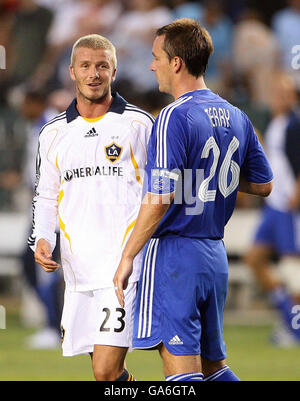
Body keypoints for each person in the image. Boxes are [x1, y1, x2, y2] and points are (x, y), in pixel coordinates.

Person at [114, 18, 273, 382]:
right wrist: (212, 177)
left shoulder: (172, 116)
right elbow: (264, 185)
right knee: (214, 368)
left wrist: (127, 256)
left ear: (176, 63)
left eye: (156, 57)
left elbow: (159, 198)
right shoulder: (237, 116)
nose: (151, 65)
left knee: (182, 375)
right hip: (213, 256)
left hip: (175, 256)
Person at [28, 34, 154, 381]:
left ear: (113, 70)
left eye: (102, 66)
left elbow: (159, 191)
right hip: (78, 269)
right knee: (105, 374)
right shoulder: (52, 133)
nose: (94, 73)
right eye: (85, 66)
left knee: (105, 370)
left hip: (124, 268)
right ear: (72, 71)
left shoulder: (139, 125)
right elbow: (47, 195)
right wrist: (42, 239)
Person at [244, 72, 300, 346]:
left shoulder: (295, 124)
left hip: (289, 207)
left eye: (285, 93)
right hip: (273, 207)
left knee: (293, 271)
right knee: (254, 258)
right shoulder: (276, 123)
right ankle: (290, 321)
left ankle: (295, 329)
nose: (280, 97)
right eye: (276, 92)